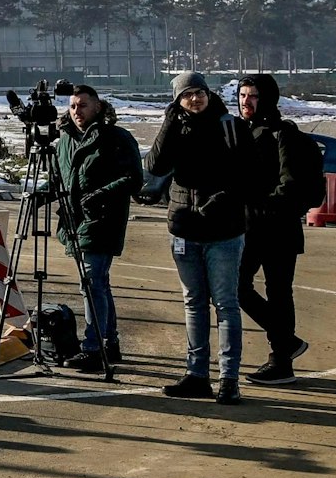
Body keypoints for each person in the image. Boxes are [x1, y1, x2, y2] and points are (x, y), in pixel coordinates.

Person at [146, 70, 250, 404]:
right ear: (177, 99)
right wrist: (168, 123)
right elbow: (155, 165)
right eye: (187, 94)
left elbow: (251, 174)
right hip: (184, 228)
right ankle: (197, 374)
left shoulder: (229, 125)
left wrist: (223, 199)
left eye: (199, 92)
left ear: (209, 93)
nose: (195, 98)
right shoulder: (176, 126)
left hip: (223, 231)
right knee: (193, 302)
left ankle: (229, 378)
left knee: (225, 304)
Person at [236, 73, 318, 385]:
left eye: (253, 95)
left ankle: (282, 359)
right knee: (236, 286)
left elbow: (291, 183)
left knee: (278, 291)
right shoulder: (241, 131)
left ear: (268, 98)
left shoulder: (283, 135)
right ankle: (287, 343)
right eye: (243, 95)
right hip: (248, 226)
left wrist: (263, 204)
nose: (247, 101)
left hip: (277, 227)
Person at [55, 83, 142, 375]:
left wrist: (101, 195)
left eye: (83, 105)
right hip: (75, 219)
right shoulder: (65, 140)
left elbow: (133, 178)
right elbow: (61, 178)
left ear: (97, 107)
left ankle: (94, 348)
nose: (77, 111)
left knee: (91, 282)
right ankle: (110, 341)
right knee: (99, 284)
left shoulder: (115, 138)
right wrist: (41, 193)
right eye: (72, 106)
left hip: (103, 219)